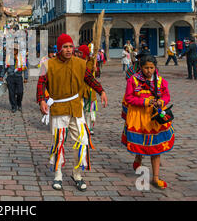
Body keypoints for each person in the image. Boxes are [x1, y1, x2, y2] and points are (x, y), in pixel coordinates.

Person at [37, 34, 108, 192]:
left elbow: (90, 79)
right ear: (59, 48)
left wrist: (101, 90)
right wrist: (41, 100)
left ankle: (77, 174)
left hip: (76, 107)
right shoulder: (48, 65)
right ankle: (58, 174)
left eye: (70, 46)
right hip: (58, 108)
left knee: (82, 141)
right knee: (58, 142)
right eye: (65, 47)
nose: (68, 50)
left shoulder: (81, 64)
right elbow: (41, 83)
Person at [121, 54, 174, 189]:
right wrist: (145, 101)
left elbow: (167, 95)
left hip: (155, 118)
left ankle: (155, 178)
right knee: (142, 142)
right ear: (141, 67)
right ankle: (138, 158)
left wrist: (161, 101)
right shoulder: (133, 81)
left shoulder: (161, 81)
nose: (149, 70)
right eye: (146, 68)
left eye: (151, 67)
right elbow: (129, 98)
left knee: (155, 147)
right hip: (139, 117)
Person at [78, 45, 98, 135]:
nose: (79, 54)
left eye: (81, 52)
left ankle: (89, 127)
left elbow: (95, 76)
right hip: (80, 89)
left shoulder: (92, 61)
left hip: (90, 89)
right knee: (80, 109)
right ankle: (81, 126)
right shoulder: (77, 61)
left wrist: (96, 69)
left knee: (90, 110)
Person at [5, 44, 28, 113]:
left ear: (17, 50)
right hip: (10, 77)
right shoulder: (8, 57)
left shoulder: (22, 58)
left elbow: (25, 69)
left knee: (20, 92)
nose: (14, 51)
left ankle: (19, 104)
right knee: (11, 93)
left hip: (18, 77)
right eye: (13, 49)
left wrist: (26, 77)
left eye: (15, 49)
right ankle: (13, 106)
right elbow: (5, 67)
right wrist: (1, 76)